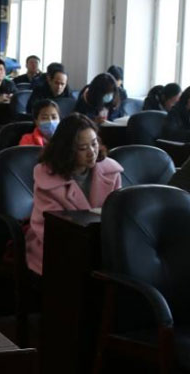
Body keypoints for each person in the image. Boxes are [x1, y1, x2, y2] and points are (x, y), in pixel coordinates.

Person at [26, 114, 123, 275]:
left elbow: (117, 217)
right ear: (67, 150)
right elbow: (46, 229)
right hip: (57, 247)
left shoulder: (111, 171)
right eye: (83, 148)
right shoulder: (47, 177)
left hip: (101, 245)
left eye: (94, 144)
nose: (91, 152)